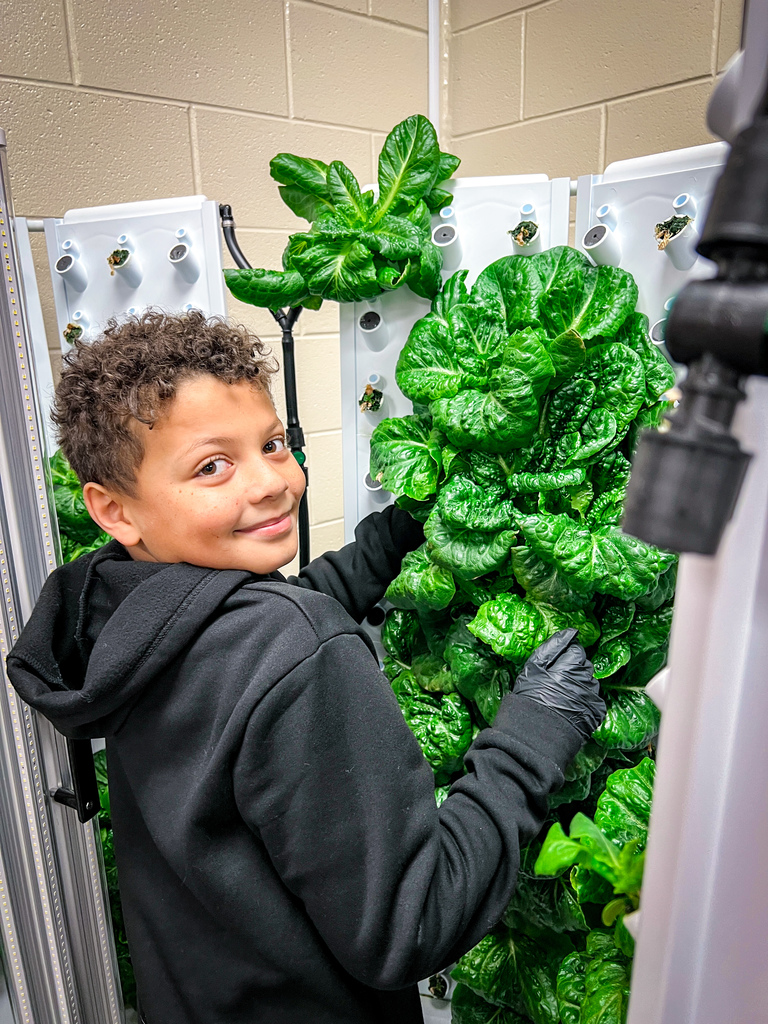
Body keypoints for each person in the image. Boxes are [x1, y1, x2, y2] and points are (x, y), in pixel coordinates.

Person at [7, 310, 605, 1024]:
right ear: (115, 510)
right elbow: (412, 925)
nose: (270, 482)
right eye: (212, 465)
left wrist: (388, 542)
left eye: (273, 443)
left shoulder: (119, 616)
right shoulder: (295, 649)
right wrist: (534, 734)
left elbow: (244, 635)